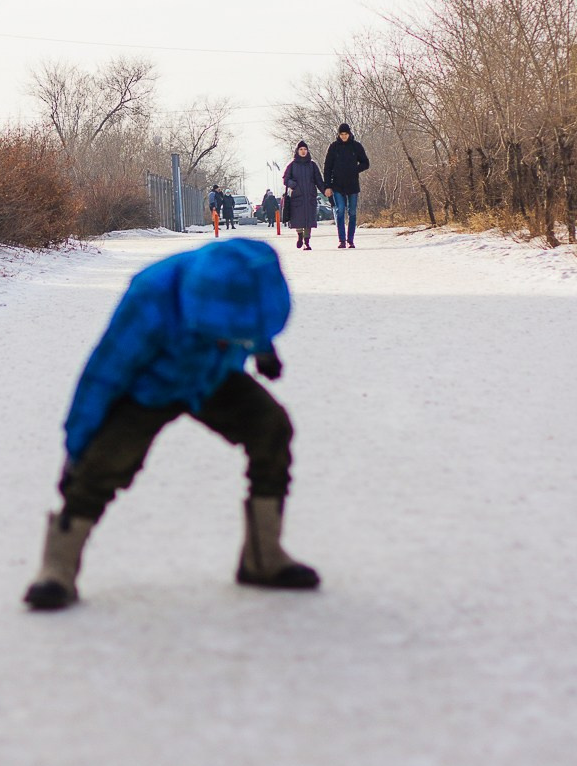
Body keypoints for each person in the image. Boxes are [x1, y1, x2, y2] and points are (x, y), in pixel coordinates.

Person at [23, 240, 320, 610]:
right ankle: (57, 570)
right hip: (149, 387)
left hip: (212, 377)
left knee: (270, 427)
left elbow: (251, 314)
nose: (232, 340)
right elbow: (101, 377)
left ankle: (263, 558)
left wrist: (262, 349)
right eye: (227, 335)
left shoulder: (251, 279)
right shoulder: (151, 298)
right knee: (102, 466)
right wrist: (76, 448)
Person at [323, 123, 370, 248]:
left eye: (346, 134)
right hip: (337, 184)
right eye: (341, 134)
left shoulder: (356, 146)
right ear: (339, 135)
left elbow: (366, 163)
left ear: (349, 134)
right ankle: (342, 240)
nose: (344, 136)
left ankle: (351, 240)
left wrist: (355, 169)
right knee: (340, 210)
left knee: (352, 212)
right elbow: (327, 167)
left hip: (352, 184)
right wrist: (327, 185)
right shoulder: (333, 147)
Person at [282, 140, 325, 250]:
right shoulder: (292, 165)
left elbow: (319, 180)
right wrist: (293, 185)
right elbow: (285, 179)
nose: (303, 151)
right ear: (297, 151)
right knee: (299, 219)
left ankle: (307, 241)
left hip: (310, 196)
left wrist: (325, 190)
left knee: (309, 221)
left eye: (305, 149)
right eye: (301, 149)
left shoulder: (312, 165)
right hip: (297, 197)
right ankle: (300, 236)